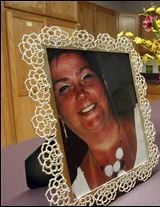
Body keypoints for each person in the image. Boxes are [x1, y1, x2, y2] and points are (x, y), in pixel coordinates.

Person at [48, 49, 147, 198]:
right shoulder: (79, 191)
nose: (80, 93)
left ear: (104, 84)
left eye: (86, 76)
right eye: (64, 88)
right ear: (58, 113)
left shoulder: (144, 127)